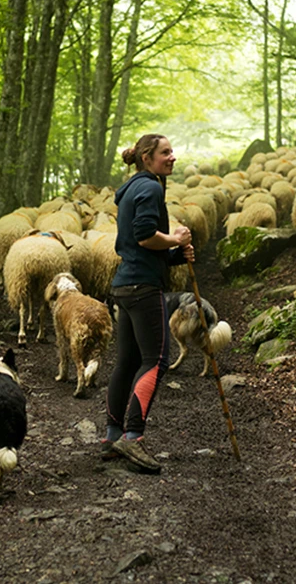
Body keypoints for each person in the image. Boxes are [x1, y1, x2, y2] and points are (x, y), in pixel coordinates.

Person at [102, 134, 194, 473]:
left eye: (172, 151)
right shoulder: (151, 188)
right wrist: (175, 238)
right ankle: (133, 436)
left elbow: (136, 246)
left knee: (126, 361)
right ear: (146, 157)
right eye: (165, 152)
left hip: (125, 285)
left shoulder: (132, 188)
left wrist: (174, 256)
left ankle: (112, 437)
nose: (172, 157)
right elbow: (144, 235)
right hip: (143, 290)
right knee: (156, 360)